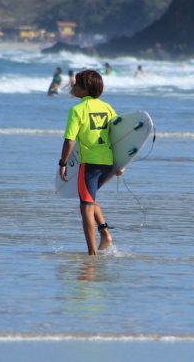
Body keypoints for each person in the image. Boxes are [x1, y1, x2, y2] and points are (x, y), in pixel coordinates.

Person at [58, 69, 120, 255]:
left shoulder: (77, 110)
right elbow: (118, 136)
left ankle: (91, 254)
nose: (73, 86)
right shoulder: (108, 108)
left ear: (84, 89)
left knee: (85, 207)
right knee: (90, 199)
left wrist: (63, 163)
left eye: (76, 84)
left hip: (90, 165)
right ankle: (105, 234)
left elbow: (70, 140)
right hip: (108, 163)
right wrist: (121, 164)